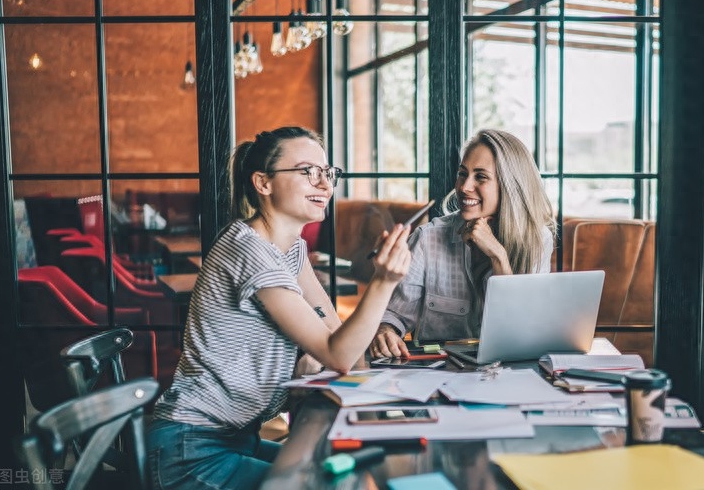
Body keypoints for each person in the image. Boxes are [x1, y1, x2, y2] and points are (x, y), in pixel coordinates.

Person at [147, 127, 411, 490]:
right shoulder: (251, 251)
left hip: (231, 438)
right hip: (191, 451)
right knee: (330, 484)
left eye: (327, 172)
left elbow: (336, 335)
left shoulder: (290, 248)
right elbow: (338, 354)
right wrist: (383, 282)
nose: (324, 184)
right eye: (307, 172)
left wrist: (384, 392)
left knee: (341, 472)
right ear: (263, 183)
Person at [370, 129, 555, 357]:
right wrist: (385, 330)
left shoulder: (538, 240)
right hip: (439, 375)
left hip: (510, 373)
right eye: (462, 174)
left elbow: (523, 330)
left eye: (480, 176)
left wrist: (498, 257)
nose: (464, 186)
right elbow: (394, 316)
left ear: (510, 186)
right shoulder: (428, 239)